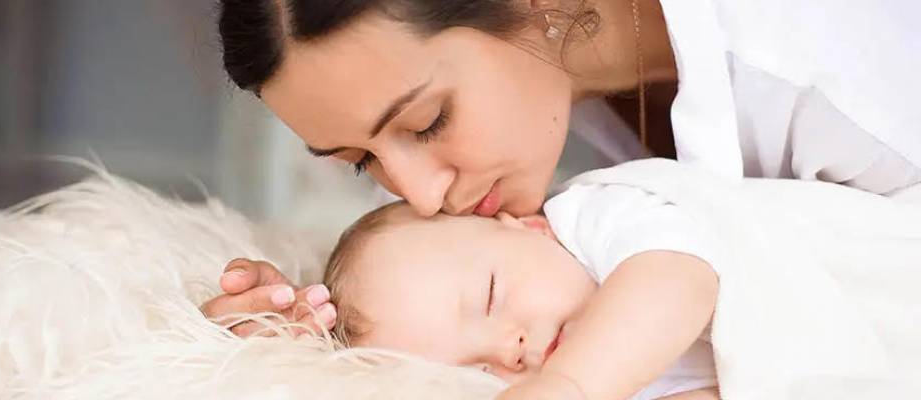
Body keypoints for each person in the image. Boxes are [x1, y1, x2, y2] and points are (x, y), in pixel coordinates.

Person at [201, 0, 920, 350]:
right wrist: (334, 325)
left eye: (427, 122)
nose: (421, 195)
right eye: (363, 162)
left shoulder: (833, 77)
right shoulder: (571, 101)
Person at [318, 158, 921, 399]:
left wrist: (570, 385)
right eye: (477, 370)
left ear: (527, 227)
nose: (511, 350)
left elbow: (678, 280)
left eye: (492, 297)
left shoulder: (601, 214)